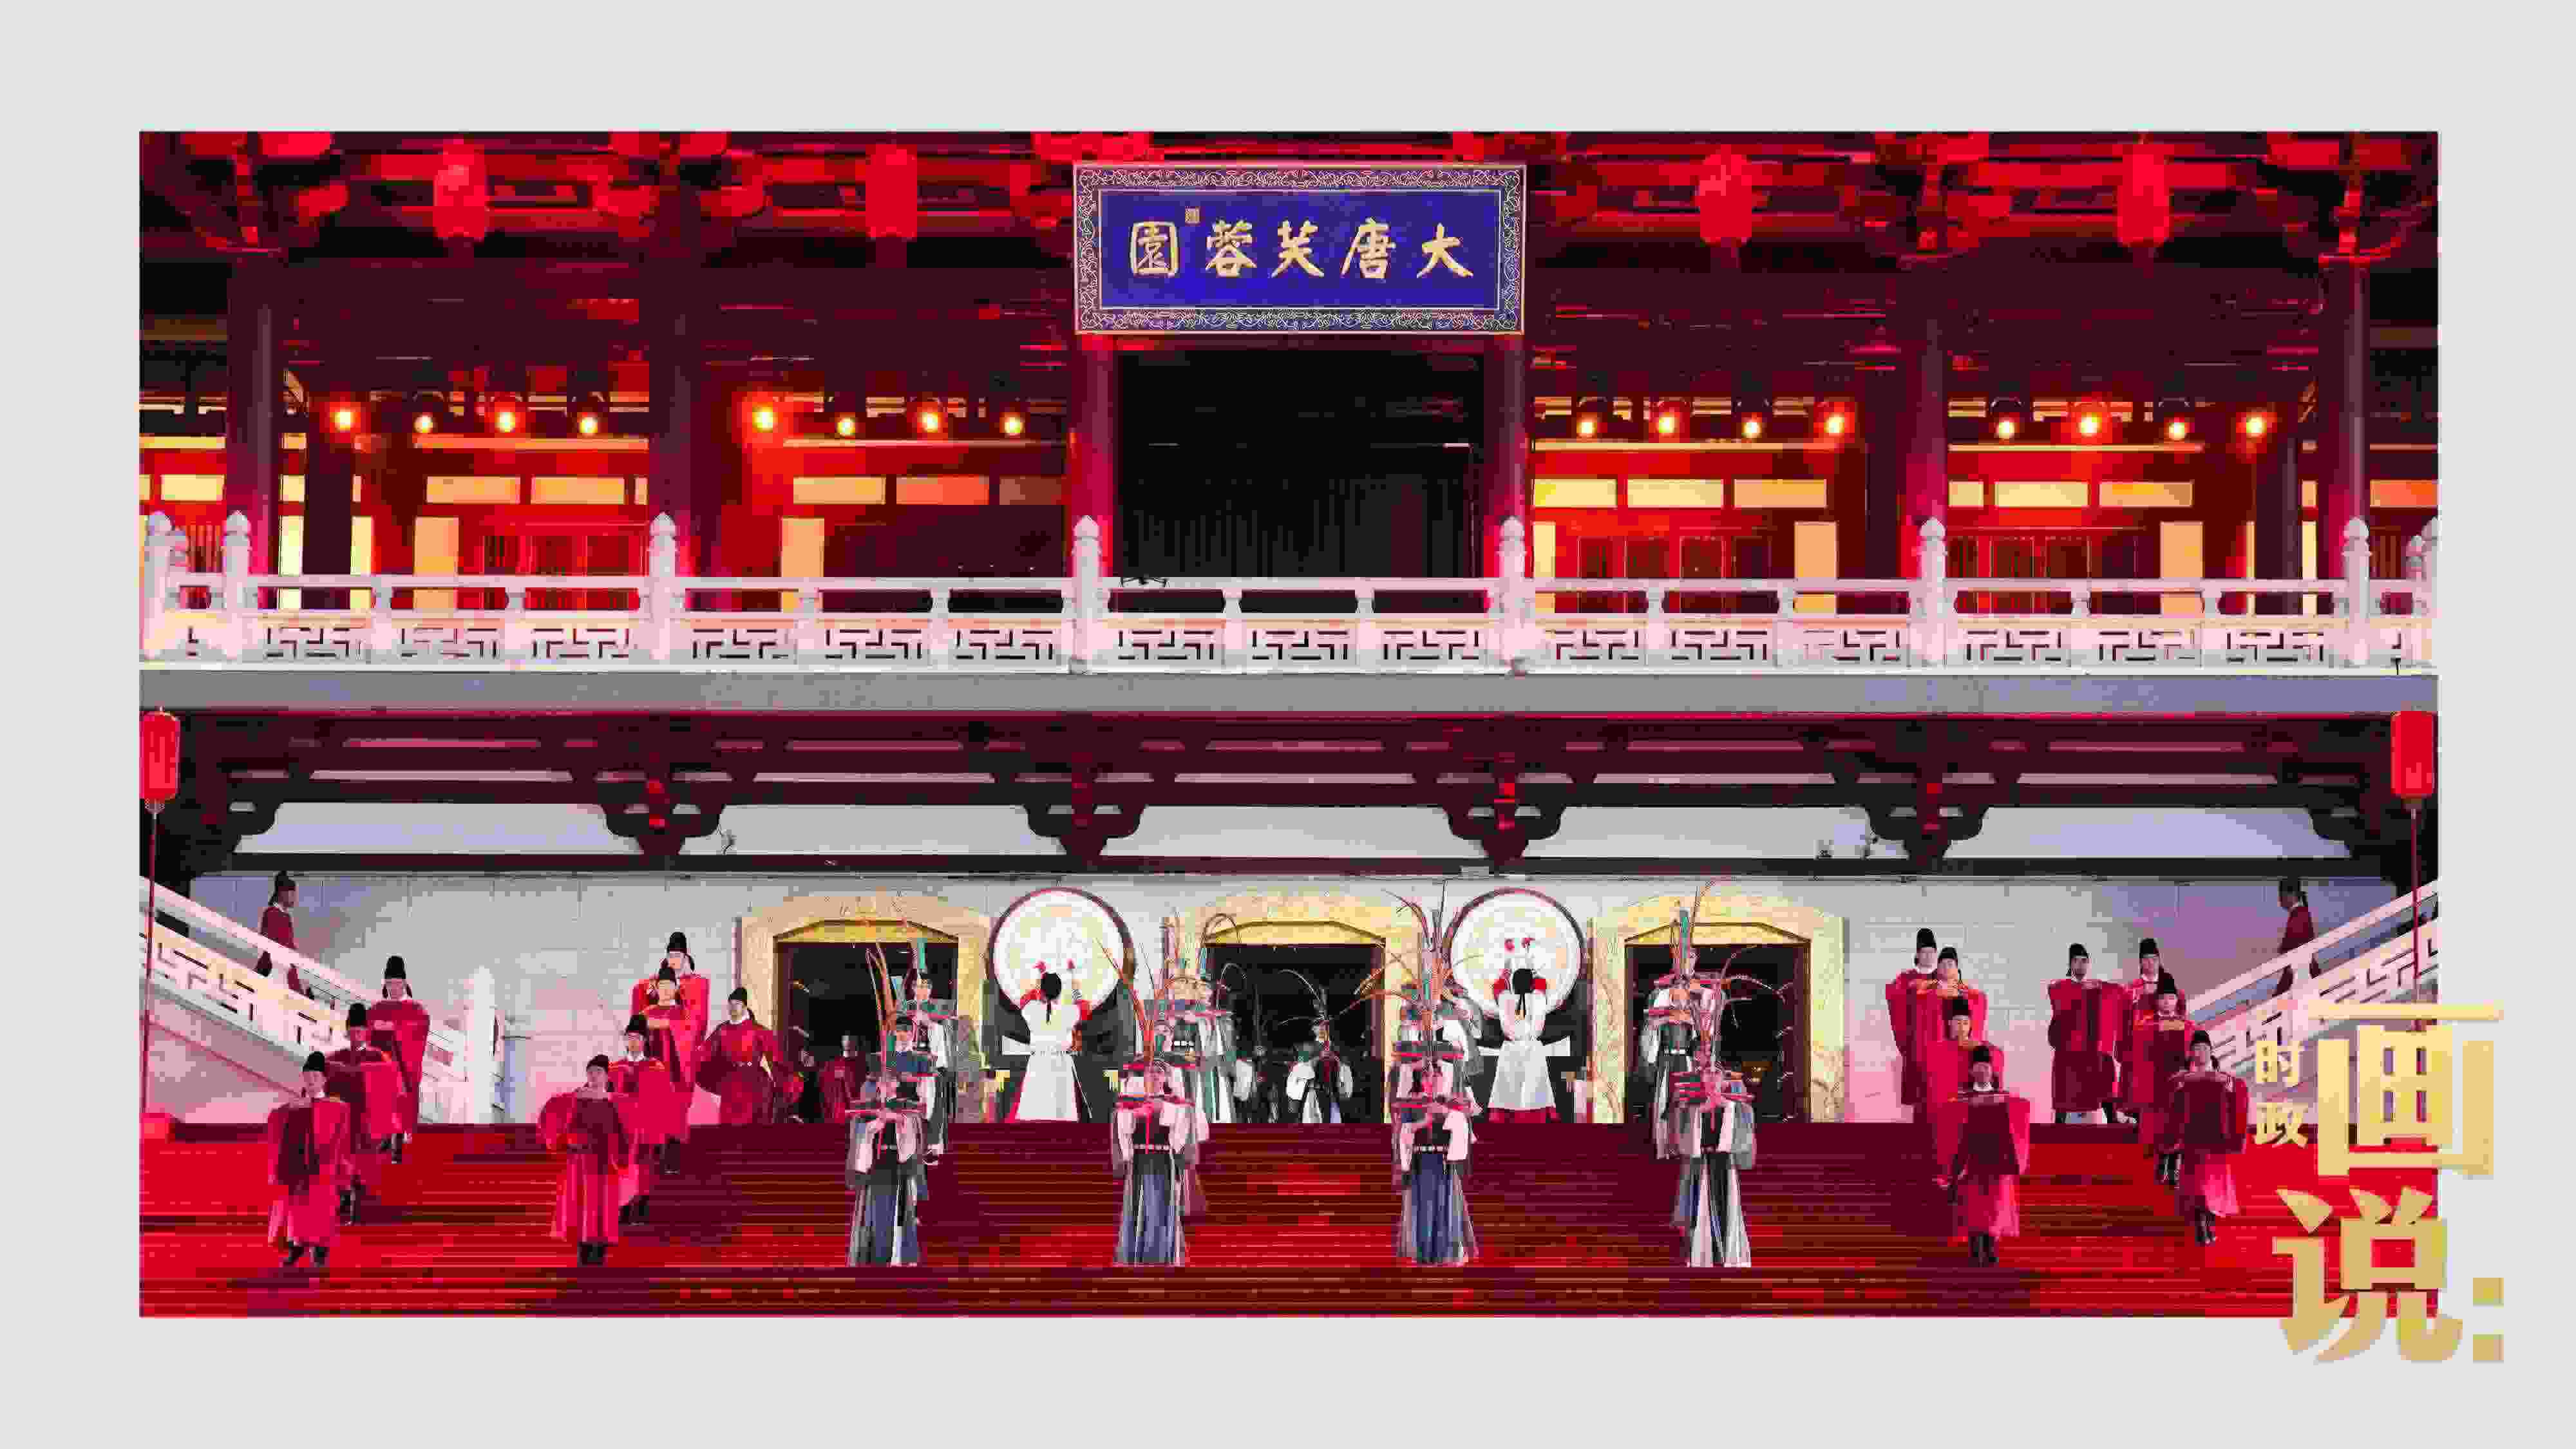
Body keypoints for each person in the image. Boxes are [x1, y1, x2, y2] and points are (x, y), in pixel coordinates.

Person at [1931, 1046, 2031, 1264]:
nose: (1983, 1071)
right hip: (1971, 1160)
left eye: (1986, 1067)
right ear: (1971, 1071)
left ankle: (1991, 1247)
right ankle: (1975, 1248)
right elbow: (1949, 1123)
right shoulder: (1961, 1099)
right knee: (1973, 1206)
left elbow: (2020, 1112)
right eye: (1978, 1067)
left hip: (1997, 1160)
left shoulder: (2004, 1098)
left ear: (1992, 1070)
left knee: (1995, 1206)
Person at [2159, 1030, 2252, 1246]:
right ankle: (2201, 1224)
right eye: (2196, 1048)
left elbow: (2238, 1093)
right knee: (2198, 1185)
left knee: (2213, 1186)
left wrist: (2226, 1082)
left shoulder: (2223, 1078)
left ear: (2211, 1051)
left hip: (2216, 1138)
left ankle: (2208, 1223)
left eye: (2204, 1048)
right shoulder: (2181, 1078)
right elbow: (2169, 1098)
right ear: (2190, 1053)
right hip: (2193, 1136)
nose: (2200, 1052)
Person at [539, 1056, 634, 1265]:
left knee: (603, 1207)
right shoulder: (573, 1099)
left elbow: (628, 1129)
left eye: (598, 1071)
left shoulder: (617, 1101)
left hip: (605, 1163)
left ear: (607, 1076)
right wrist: (566, 1140)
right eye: (590, 1071)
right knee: (580, 1205)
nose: (593, 1075)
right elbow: (552, 1117)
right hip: (580, 1162)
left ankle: (599, 1253)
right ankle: (583, 1253)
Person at [265, 1051, 353, 1272]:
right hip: (298, 1169)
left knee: (322, 1212)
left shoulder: (338, 1108)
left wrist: (345, 1178)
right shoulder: (292, 1107)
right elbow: (275, 1125)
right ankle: (296, 1247)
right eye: (308, 1076)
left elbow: (343, 1144)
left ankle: (320, 1252)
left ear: (324, 1080)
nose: (311, 1080)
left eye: (316, 1076)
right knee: (296, 1211)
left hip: (324, 1169)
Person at [323, 1003, 405, 1224]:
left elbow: (393, 1086)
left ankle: (357, 1207)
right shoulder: (337, 1055)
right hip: (342, 1120)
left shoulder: (377, 1057)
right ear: (347, 1031)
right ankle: (344, 1203)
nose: (356, 1036)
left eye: (359, 1031)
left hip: (365, 1120)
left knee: (361, 1165)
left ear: (366, 1032)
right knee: (341, 1162)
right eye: (352, 1031)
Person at [1112, 1060, 1199, 1265]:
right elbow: (1122, 1126)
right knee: (1136, 1207)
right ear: (1144, 1075)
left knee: (1160, 1206)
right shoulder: (1131, 1101)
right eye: (1150, 1071)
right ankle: (1135, 1255)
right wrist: (1136, 1112)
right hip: (1139, 1160)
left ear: (1166, 1077)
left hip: (1163, 1160)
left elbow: (1183, 1127)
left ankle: (1160, 1256)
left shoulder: (1175, 1102)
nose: (1154, 1075)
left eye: (1159, 1072)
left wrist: (1162, 1108)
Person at [1671, 1064, 1757, 1268]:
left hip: (1725, 1165)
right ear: (1701, 1077)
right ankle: (1698, 1254)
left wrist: (1728, 1107)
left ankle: (1725, 1254)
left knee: (1727, 1208)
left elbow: (1745, 1141)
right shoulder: (1688, 1105)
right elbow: (1679, 1143)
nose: (1712, 1078)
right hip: (1699, 1164)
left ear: (1724, 1080)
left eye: (1716, 1074)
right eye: (1707, 1073)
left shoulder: (1740, 1108)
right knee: (1696, 1208)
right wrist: (1699, 1111)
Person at [846, 1070, 929, 1267]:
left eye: (888, 1081)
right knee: (876, 1214)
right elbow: (858, 1128)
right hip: (875, 1164)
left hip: (896, 1164)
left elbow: (917, 1124)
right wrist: (874, 1126)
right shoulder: (870, 1106)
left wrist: (898, 1119)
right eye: (881, 1082)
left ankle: (898, 1257)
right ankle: (876, 1256)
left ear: (896, 1084)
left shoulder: (905, 1105)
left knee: (898, 1211)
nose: (884, 1085)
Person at [997, 963, 1094, 1122]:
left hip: (1038, 1064)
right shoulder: (1068, 1012)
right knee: (1061, 1117)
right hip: (1061, 1065)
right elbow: (1083, 1006)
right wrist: (1073, 977)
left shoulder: (1031, 1010)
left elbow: (1025, 1000)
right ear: (1060, 991)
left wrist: (1040, 977)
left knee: (1035, 1114)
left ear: (1042, 991)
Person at [2124, 972, 2195, 1186]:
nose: (2167, 1002)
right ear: (2157, 1001)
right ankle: (2162, 1163)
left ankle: (2174, 1169)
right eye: (2163, 998)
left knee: (2179, 1126)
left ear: (2177, 1001)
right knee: (2160, 1127)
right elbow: (2141, 1051)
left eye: (2171, 998)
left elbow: (2194, 1055)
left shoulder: (2188, 1025)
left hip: (2180, 1083)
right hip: (2155, 1084)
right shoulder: (2146, 1024)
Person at [605, 1015, 678, 1224]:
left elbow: (666, 1103)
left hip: (648, 1131)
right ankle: (624, 1211)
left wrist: (662, 1135)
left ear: (645, 1040)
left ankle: (642, 1211)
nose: (633, 1042)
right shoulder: (614, 1068)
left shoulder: (657, 1068)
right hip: (622, 1131)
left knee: (645, 1173)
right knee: (623, 1172)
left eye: (637, 1037)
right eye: (629, 1037)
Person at [1393, 1085, 1477, 1265]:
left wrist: (1445, 1112)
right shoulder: (1412, 1103)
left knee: (1445, 1207)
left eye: (1436, 1075)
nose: (1432, 1079)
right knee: (1423, 1208)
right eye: (1428, 1075)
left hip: (1443, 1162)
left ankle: (1446, 1253)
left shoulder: (1451, 1103)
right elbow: (1403, 1132)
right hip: (1420, 1162)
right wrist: (1425, 1121)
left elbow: (1464, 1125)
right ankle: (1423, 1254)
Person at [1900, 947, 1986, 1118]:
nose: (1946, 967)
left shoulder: (1967, 991)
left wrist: (1956, 994)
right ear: (1937, 968)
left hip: (1960, 1054)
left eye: (1950, 964)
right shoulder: (1927, 989)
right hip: (1934, 1052)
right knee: (1930, 1101)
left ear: (1957, 968)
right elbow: (1914, 1004)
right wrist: (1936, 995)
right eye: (1943, 964)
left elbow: (1978, 1001)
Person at [2045, 944, 2123, 1124]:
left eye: (2084, 961)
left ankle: (2112, 1119)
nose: (2081, 965)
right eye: (2076, 961)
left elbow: (2119, 992)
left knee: (2104, 1076)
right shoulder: (2060, 986)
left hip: (2093, 1046)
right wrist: (2085, 989)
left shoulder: (2097, 986)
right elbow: (2059, 999)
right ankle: (2058, 1125)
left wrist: (2099, 987)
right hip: (2069, 1048)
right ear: (2070, 964)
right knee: (2065, 1087)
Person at [366, 957, 433, 1162]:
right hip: (383, 1064)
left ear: (404, 983)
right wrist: (374, 1028)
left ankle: (398, 1142)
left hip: (404, 1066)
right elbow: (365, 1028)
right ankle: (386, 1137)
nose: (393, 988)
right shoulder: (377, 1008)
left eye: (397, 983)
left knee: (401, 1100)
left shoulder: (416, 1009)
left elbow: (419, 1030)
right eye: (389, 984)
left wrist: (395, 1029)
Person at [698, 988, 786, 1127]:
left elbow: (776, 1059)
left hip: (756, 1084)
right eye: (731, 1004)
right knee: (730, 1128)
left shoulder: (759, 1030)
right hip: (731, 1084)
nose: (733, 1007)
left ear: (745, 1006)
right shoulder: (722, 1030)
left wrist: (783, 1085)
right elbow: (704, 1053)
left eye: (737, 1004)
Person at [1487, 960, 1561, 1123]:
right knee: (1534, 1089)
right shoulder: (1538, 998)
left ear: (1513, 985)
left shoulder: (1506, 998)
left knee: (1508, 1089)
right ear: (1531, 984)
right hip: (1533, 1048)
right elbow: (1542, 983)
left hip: (1511, 1049)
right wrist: (1535, 972)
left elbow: (1498, 987)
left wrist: (1505, 974)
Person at [1917, 996, 2005, 1122]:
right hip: (1947, 1104)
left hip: (1973, 1102)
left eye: (1966, 1023)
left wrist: (1980, 1048)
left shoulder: (1980, 1045)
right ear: (1950, 1023)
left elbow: (1998, 1058)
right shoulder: (1937, 1048)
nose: (1962, 1027)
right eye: (1958, 1022)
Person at [637, 969, 698, 1143]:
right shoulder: (646, 1012)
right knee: (652, 1125)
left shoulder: (684, 1013)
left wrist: (662, 1024)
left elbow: (689, 1034)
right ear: (656, 988)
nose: (665, 989)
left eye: (669, 985)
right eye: (662, 985)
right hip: (652, 1077)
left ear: (676, 988)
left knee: (674, 1127)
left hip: (676, 1076)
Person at [1883, 928, 1940, 1110]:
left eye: (1932, 952)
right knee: (1919, 1102)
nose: (1928, 956)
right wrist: (1911, 987)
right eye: (1924, 952)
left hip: (1939, 1041)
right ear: (1917, 954)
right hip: (1916, 1043)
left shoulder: (1943, 976)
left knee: (1940, 1097)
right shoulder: (1906, 978)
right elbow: (1894, 995)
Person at [1285, 1023, 1356, 1123]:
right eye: (1319, 1026)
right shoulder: (1305, 1054)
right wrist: (1317, 1059)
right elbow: (1297, 1076)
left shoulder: (1337, 1054)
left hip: (1331, 1097)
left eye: (1325, 1026)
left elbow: (1345, 1086)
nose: (1323, 1029)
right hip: (1313, 1097)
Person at [2269, 879, 2321, 998]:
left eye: (2281, 896)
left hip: (2300, 973)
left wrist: (2284, 948)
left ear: (2290, 895)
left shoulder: (2299, 914)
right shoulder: (2301, 913)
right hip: (2301, 970)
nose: (2280, 900)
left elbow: (2297, 942)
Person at [819, 1034, 868, 1122]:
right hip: (839, 1116)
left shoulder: (865, 1065)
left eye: (852, 1037)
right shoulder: (831, 1066)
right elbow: (824, 1092)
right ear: (842, 1041)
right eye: (846, 1038)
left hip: (860, 1116)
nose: (848, 1040)